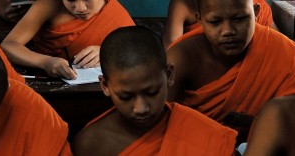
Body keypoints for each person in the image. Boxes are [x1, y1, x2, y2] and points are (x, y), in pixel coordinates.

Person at [166, 0, 295, 144]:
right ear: (200, 21)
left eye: (240, 18)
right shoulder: (182, 57)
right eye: (215, 22)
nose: (228, 31)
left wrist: (254, 122)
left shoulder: (281, 50)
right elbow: (161, 122)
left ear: (256, 13)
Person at [73, 26, 237, 155]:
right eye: (126, 96)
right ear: (105, 86)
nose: (141, 108)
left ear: (169, 75)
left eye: (151, 93)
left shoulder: (204, 134)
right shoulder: (91, 144)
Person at [1, 0, 134, 79]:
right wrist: (45, 62)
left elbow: (138, 49)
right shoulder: (50, 1)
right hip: (46, 81)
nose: (80, 8)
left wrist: (106, 52)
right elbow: (9, 45)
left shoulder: (115, 14)